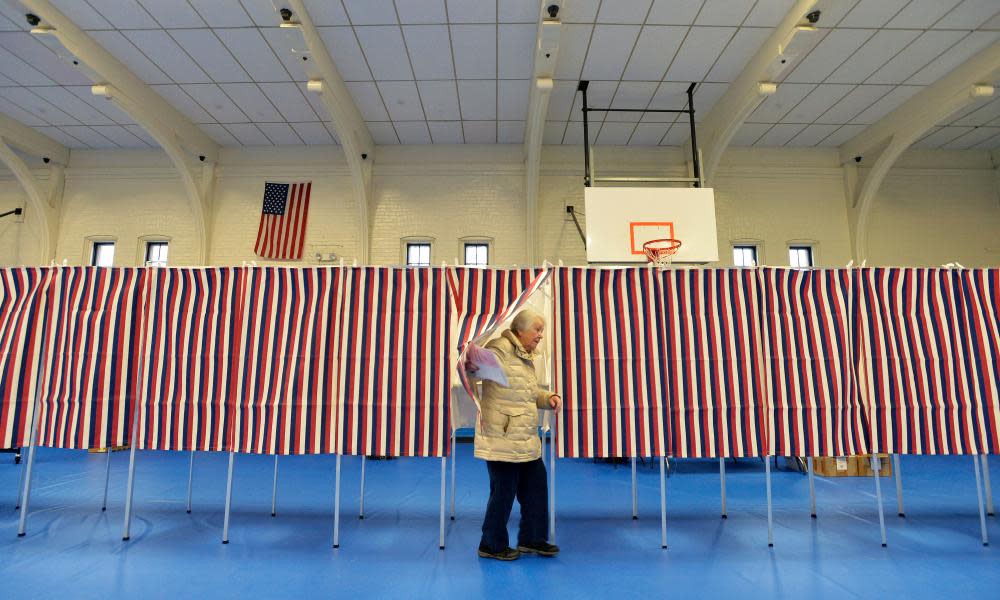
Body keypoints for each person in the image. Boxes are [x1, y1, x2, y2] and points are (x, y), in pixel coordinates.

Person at [465, 308, 561, 561]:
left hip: (527, 438)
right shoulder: (499, 349)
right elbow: (472, 368)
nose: (541, 335)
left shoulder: (527, 356)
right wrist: (472, 360)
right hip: (502, 438)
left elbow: (528, 393)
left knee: (536, 488)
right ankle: (491, 544)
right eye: (537, 330)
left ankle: (533, 539)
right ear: (520, 330)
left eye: (542, 330)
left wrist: (547, 397)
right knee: (503, 493)